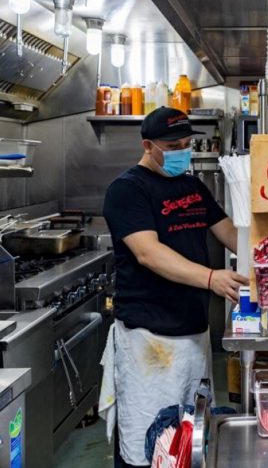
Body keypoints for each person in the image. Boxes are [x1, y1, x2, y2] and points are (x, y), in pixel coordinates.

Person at [99, 107, 249, 467]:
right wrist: (212, 278)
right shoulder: (127, 190)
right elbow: (149, 253)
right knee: (147, 445)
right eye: (174, 145)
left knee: (188, 438)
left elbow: (229, 232)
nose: (183, 150)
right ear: (148, 145)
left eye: (187, 143)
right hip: (149, 340)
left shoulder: (192, 186)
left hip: (193, 335)